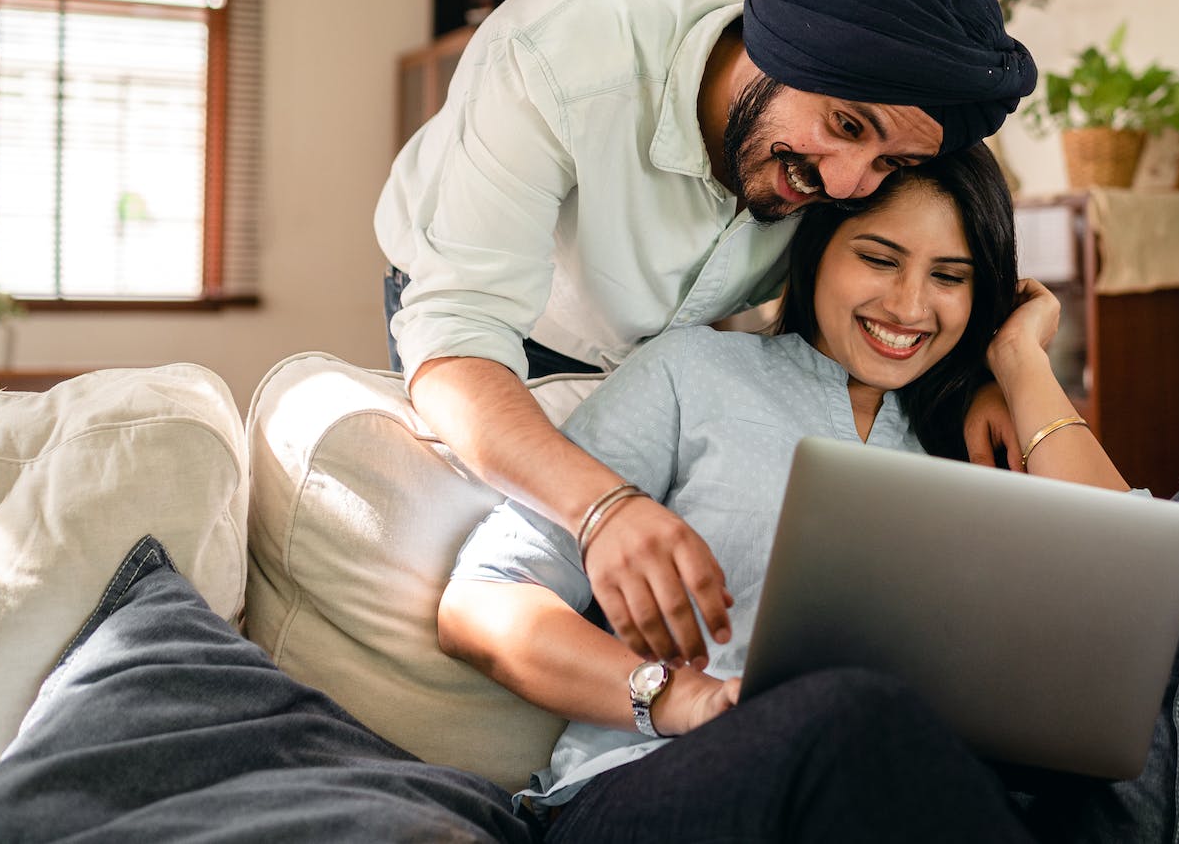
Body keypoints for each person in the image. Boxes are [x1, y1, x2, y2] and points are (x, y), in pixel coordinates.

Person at [377, 0, 1037, 671]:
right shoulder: (560, 58)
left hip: (668, 341)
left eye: (890, 162)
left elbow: (933, 257)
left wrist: (985, 373)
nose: (849, 182)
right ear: (773, 53)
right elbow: (460, 328)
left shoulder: (841, 170)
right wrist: (603, 507)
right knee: (515, 551)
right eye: (846, 126)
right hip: (503, 326)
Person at [436, 145, 1132, 841]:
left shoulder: (983, 433)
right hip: (653, 782)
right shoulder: (690, 373)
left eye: (951, 276)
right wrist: (680, 697)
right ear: (817, 246)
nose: (910, 305)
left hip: (907, 797)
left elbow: (1124, 586)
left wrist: (1020, 361)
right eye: (880, 258)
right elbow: (483, 599)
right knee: (854, 712)